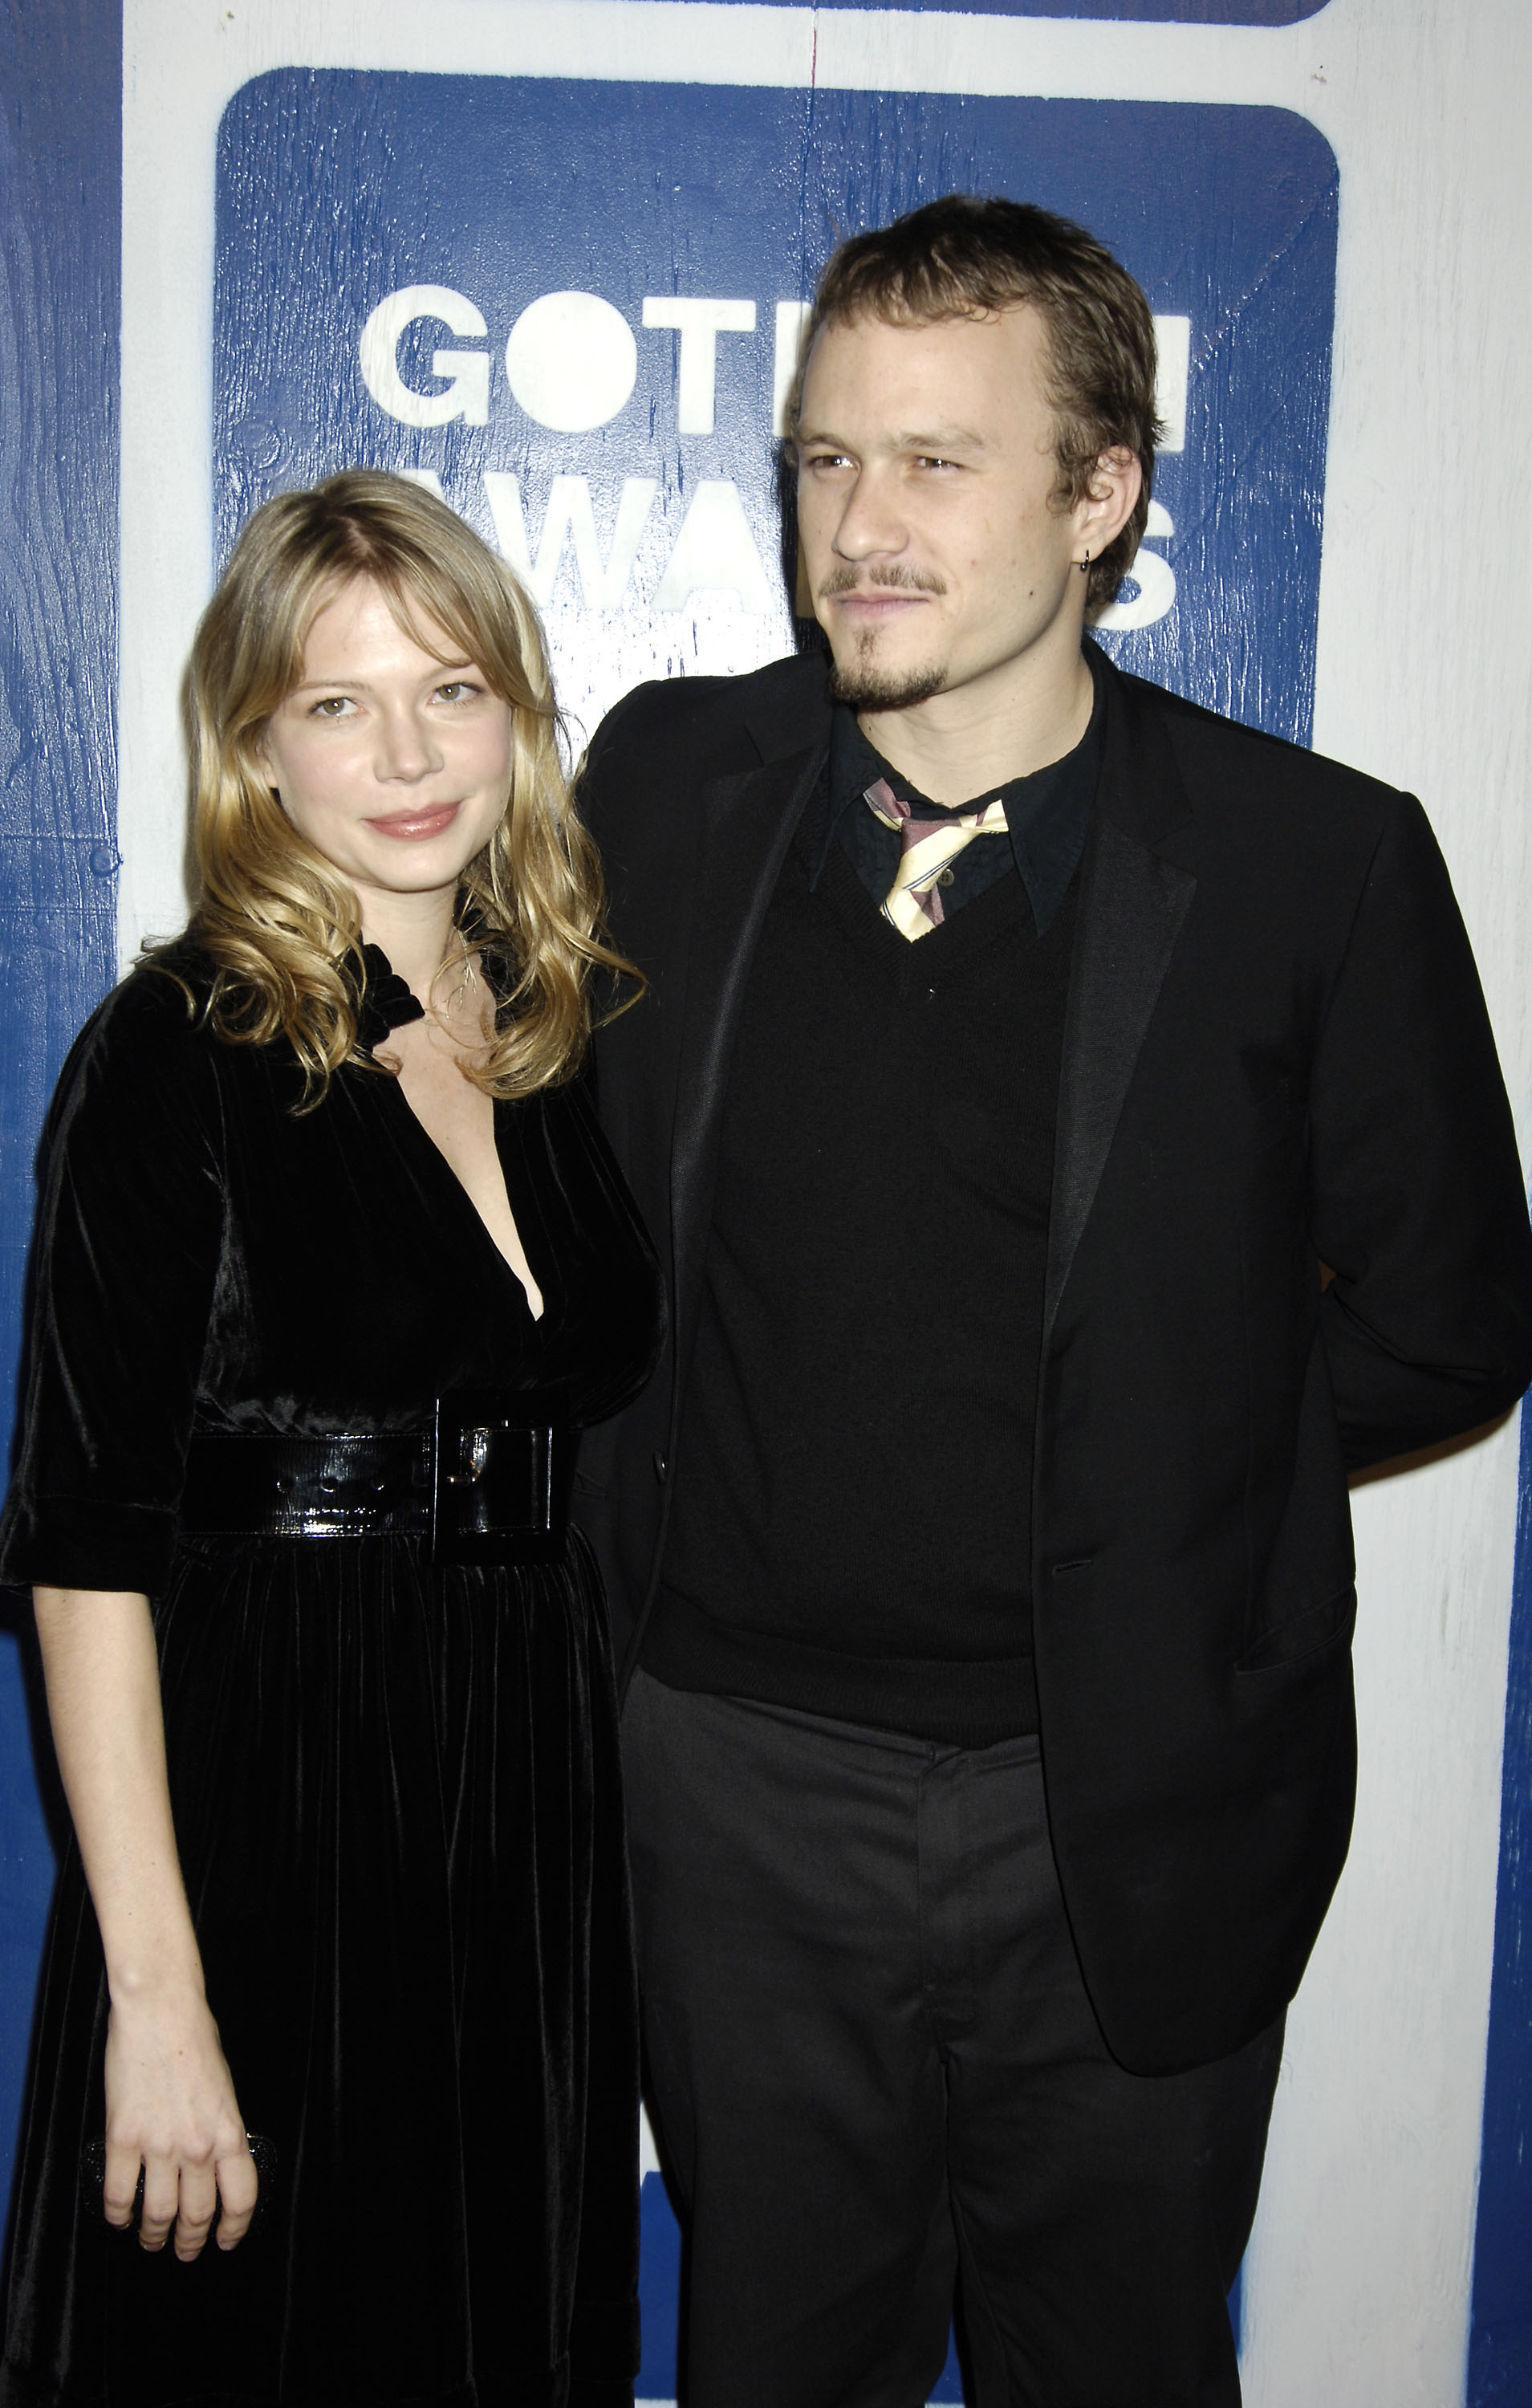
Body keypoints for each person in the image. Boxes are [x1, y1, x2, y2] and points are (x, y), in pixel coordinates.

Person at [572, 196, 1532, 2408]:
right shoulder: (668, 788)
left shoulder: (1313, 864)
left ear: (1101, 493)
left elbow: (1447, 1322)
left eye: (934, 461)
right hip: (727, 1790)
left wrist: (1176, 1460)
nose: (860, 525)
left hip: (1124, 1804)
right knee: (770, 2363)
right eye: (826, 458)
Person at [0, 470, 662, 2408]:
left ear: (521, 716)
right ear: (254, 746)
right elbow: (85, 1550)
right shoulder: (177, 1045)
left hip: (525, 1778)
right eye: (338, 704)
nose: (405, 754)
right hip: (275, 1783)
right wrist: (155, 1995)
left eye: (452, 692)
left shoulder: (550, 1026)